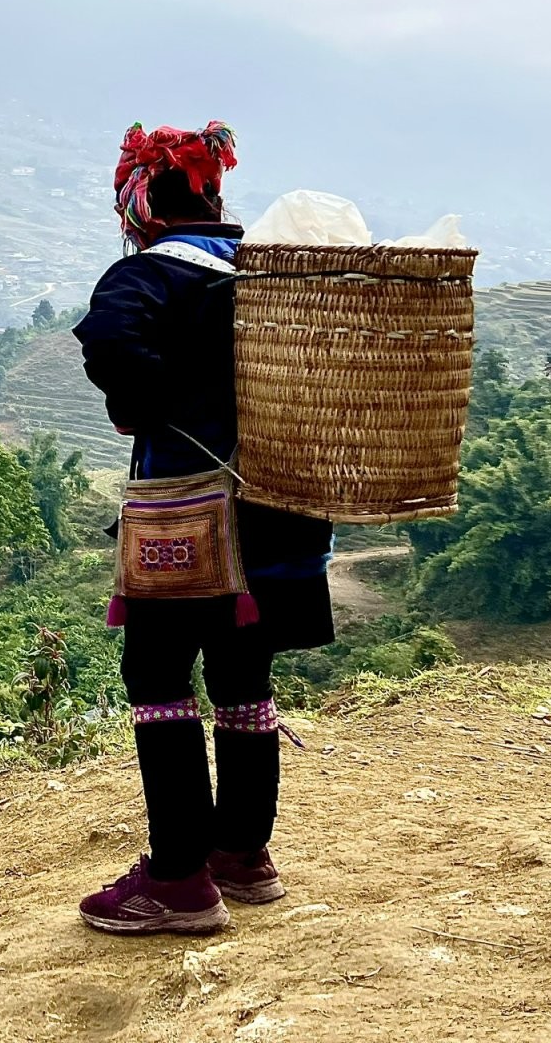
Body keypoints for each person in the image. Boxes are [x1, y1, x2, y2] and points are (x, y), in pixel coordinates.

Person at [71, 122, 335, 936]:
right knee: (243, 677)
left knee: (156, 676)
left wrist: (156, 408)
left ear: (142, 205)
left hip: (192, 516)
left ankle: (179, 877)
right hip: (284, 509)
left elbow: (110, 342)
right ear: (214, 197)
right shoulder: (267, 271)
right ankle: (242, 853)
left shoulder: (147, 275)